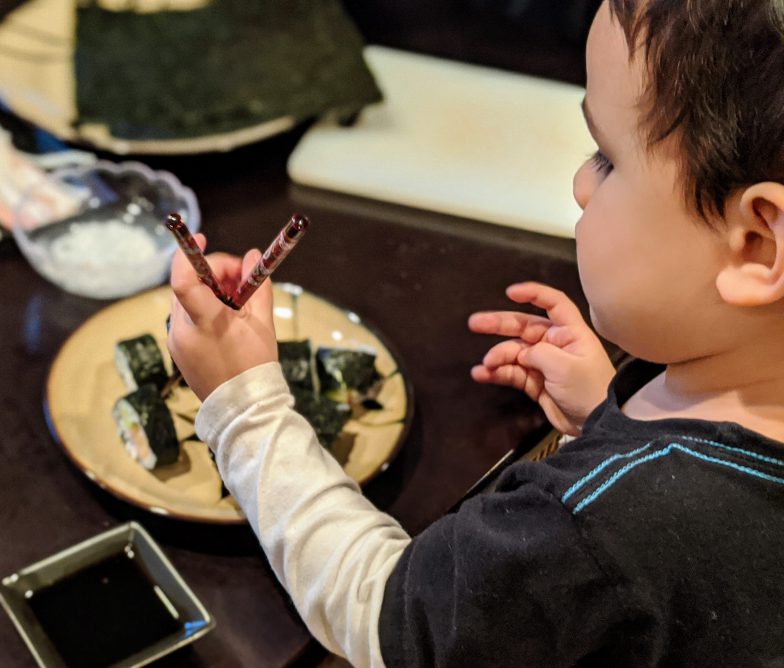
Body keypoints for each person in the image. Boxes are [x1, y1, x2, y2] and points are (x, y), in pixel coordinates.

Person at [166, 0, 784, 665]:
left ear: (755, 245)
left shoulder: (586, 531)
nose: (580, 184)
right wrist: (614, 415)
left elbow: (386, 617)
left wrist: (243, 406)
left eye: (606, 159)